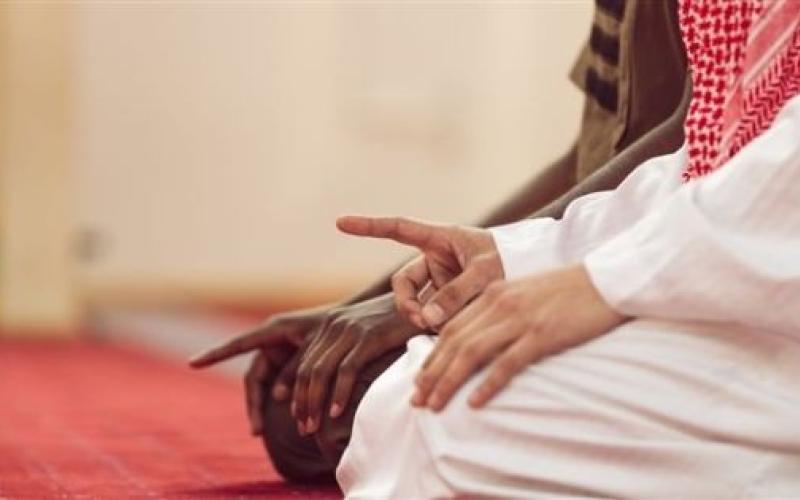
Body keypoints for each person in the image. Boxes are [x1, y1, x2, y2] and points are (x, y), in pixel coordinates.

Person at [189, 0, 688, 483]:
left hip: (644, 267)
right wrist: (355, 307)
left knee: (350, 403)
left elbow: (685, 148)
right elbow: (585, 157)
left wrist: (447, 295)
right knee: (296, 407)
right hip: (566, 247)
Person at [335, 0, 800, 496]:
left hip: (763, 312)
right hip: (733, 283)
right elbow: (716, 161)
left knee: (455, 409)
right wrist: (515, 254)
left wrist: (604, 281)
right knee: (413, 391)